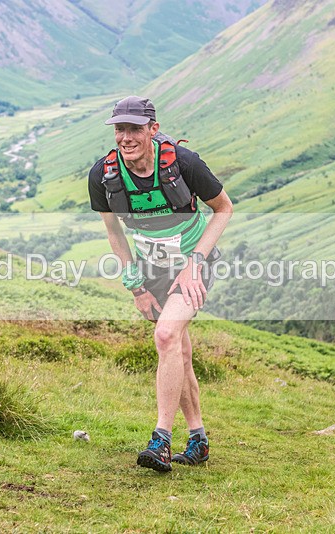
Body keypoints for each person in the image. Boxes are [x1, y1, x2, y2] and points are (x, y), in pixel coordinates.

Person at [88, 96, 233, 471]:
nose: (126, 137)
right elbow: (114, 232)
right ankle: (198, 438)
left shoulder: (184, 164)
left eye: (135, 128)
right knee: (178, 351)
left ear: (153, 129)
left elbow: (224, 208)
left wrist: (195, 262)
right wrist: (135, 285)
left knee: (166, 337)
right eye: (120, 129)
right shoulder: (102, 175)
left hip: (193, 264)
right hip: (151, 271)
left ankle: (161, 440)